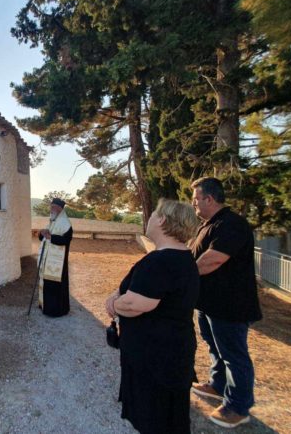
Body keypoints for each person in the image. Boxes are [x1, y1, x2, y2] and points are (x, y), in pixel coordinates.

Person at [105, 199, 200, 434]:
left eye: (154, 213)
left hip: (155, 358)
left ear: (163, 220)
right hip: (171, 352)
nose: (149, 217)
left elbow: (135, 304)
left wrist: (114, 304)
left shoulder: (160, 261)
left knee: (155, 419)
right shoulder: (181, 257)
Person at [189, 177, 262, 429]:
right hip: (209, 302)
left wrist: (182, 275)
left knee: (233, 354)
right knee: (214, 346)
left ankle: (238, 407)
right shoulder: (208, 225)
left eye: (196, 199)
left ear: (209, 199)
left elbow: (213, 260)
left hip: (230, 305)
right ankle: (218, 385)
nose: (193, 204)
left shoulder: (232, 224)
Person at [37, 197, 73, 317]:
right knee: (47, 283)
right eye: (51, 207)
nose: (51, 209)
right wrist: (42, 233)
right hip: (47, 259)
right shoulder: (53, 221)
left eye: (53, 207)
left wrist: (50, 237)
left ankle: (55, 310)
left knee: (55, 285)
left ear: (60, 209)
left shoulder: (65, 224)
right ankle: (45, 306)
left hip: (58, 262)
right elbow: (44, 238)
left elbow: (66, 240)